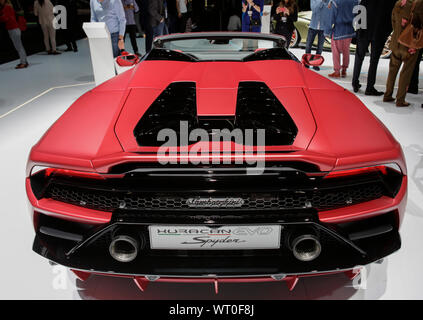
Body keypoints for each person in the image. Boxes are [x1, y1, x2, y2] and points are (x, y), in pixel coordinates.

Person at [352, 0, 396, 95]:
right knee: (374, 60)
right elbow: (392, 16)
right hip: (379, 33)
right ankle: (369, 87)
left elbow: (360, 9)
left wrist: (359, 30)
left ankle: (355, 82)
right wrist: (386, 33)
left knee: (359, 57)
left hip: (364, 30)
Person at [384, 0, 421, 107]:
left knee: (392, 70)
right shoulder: (419, 4)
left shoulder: (399, 3)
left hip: (396, 42)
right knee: (406, 73)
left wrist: (397, 34)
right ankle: (400, 100)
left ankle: (387, 95)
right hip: (410, 45)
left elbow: (393, 21)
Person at [327, 0, 358, 78]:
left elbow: (331, 18)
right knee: (346, 51)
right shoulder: (355, 1)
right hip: (349, 30)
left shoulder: (335, 2)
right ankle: (344, 70)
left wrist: (327, 31)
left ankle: (337, 71)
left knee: (336, 52)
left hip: (338, 30)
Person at [305, 0, 332, 71]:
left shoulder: (329, 1)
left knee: (320, 47)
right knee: (308, 45)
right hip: (313, 26)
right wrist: (321, 1)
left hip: (323, 27)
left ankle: (315, 64)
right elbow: (314, 9)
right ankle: (307, 62)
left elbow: (329, 13)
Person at [0, 0, 28, 68]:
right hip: (13, 28)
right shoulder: (7, 7)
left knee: (19, 46)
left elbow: (5, 18)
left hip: (13, 29)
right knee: (19, 46)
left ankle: (23, 62)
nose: (0, 1)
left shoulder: (7, 7)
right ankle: (24, 61)